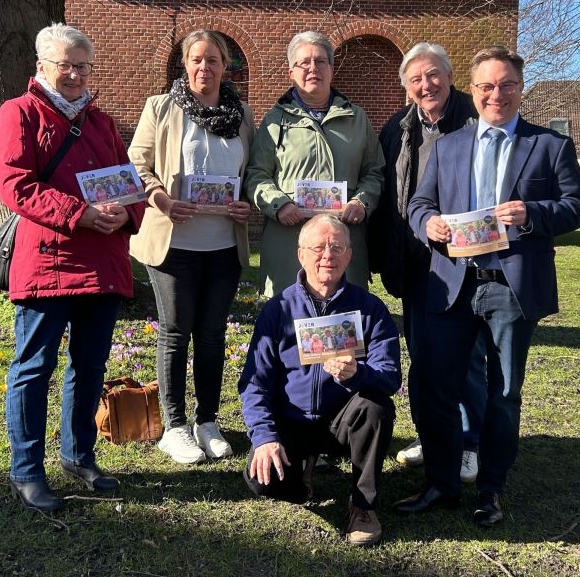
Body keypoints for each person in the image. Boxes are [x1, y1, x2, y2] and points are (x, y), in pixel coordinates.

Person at [397, 46, 580, 526]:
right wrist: (428, 224)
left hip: (510, 287)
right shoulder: (449, 146)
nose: (495, 95)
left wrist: (532, 213)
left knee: (503, 394)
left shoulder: (549, 145)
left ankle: (490, 490)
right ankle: (442, 484)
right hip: (453, 285)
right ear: (473, 89)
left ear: (521, 89)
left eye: (506, 85)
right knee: (435, 386)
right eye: (486, 86)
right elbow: (419, 203)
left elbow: (576, 207)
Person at [0, 23, 147, 513]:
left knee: (89, 366)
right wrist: (80, 214)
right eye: (66, 66)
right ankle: (26, 470)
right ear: (41, 66)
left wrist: (127, 213)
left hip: (102, 263)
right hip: (49, 263)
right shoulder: (19, 112)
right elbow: (15, 184)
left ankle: (79, 455)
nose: (76, 75)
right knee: (34, 368)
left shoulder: (101, 123)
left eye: (83, 66)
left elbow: (128, 183)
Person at [128, 30, 256, 465]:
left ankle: (207, 422)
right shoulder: (161, 107)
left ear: (225, 66)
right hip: (174, 242)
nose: (205, 67)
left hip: (224, 244)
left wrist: (247, 202)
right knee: (176, 332)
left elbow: (253, 171)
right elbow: (136, 164)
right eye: (197, 59)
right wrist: (161, 199)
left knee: (213, 334)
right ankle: (175, 426)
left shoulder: (242, 114)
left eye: (213, 60)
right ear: (185, 64)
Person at [239, 214, 401, 547]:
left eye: (337, 247)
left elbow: (390, 376)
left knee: (376, 408)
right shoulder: (278, 310)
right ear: (301, 254)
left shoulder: (369, 309)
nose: (328, 255)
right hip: (292, 420)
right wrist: (265, 437)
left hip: (343, 422)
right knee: (262, 480)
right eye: (318, 248)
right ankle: (302, 475)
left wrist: (359, 373)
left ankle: (363, 505)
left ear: (349, 255)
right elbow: (255, 383)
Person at [368, 43, 482, 480]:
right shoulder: (397, 127)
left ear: (450, 76)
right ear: (406, 87)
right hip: (415, 261)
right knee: (422, 356)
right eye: (415, 79)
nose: (426, 84)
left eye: (433, 74)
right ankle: (432, 434)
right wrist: (380, 254)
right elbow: (387, 197)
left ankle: (469, 442)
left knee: (466, 359)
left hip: (464, 261)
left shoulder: (475, 121)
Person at [245, 31, 385, 297]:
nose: (313, 68)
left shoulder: (356, 119)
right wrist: (278, 204)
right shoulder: (275, 121)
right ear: (291, 73)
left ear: (331, 69)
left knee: (343, 317)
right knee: (290, 317)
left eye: (321, 61)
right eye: (304, 63)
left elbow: (374, 171)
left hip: (343, 244)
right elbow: (256, 174)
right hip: (289, 244)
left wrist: (362, 202)